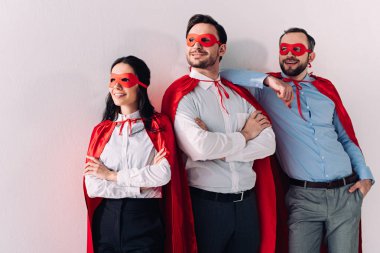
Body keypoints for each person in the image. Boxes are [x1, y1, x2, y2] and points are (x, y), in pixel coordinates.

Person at [220, 27, 374, 253]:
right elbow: (223, 75)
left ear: (310, 56)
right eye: (284, 49)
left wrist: (366, 176)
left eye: (297, 49)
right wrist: (268, 81)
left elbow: (346, 138)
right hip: (304, 198)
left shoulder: (325, 89)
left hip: (346, 193)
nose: (289, 54)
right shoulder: (266, 90)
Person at [162, 14, 278, 253]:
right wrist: (245, 135)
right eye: (191, 40)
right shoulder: (183, 96)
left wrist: (221, 151)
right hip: (207, 208)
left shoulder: (238, 95)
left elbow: (268, 144)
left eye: (205, 40)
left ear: (221, 48)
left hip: (246, 206)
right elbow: (199, 148)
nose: (196, 46)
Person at [83, 55, 197, 253]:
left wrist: (110, 175)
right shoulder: (101, 131)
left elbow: (162, 175)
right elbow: (93, 187)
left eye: (124, 80)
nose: (116, 87)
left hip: (144, 223)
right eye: (112, 80)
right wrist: (142, 187)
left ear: (141, 85)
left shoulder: (158, 126)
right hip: (106, 223)